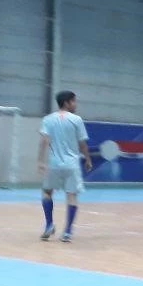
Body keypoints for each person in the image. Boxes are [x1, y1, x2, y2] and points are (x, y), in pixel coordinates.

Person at [37, 91, 93, 243]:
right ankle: (67, 232)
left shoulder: (48, 119)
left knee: (47, 192)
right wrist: (88, 159)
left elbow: (44, 141)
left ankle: (49, 224)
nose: (76, 104)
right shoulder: (76, 120)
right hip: (71, 165)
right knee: (72, 196)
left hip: (54, 164)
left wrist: (40, 161)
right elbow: (82, 143)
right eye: (74, 101)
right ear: (67, 103)